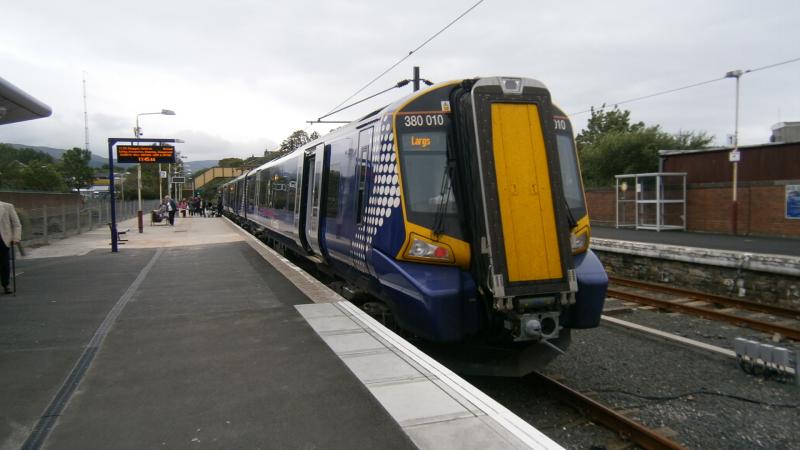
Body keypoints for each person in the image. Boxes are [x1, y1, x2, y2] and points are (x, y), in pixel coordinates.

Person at [0, 201, 22, 294]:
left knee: (4, 264)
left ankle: (6, 284)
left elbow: (17, 225)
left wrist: (16, 238)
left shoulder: (7, 206)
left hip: (3, 240)